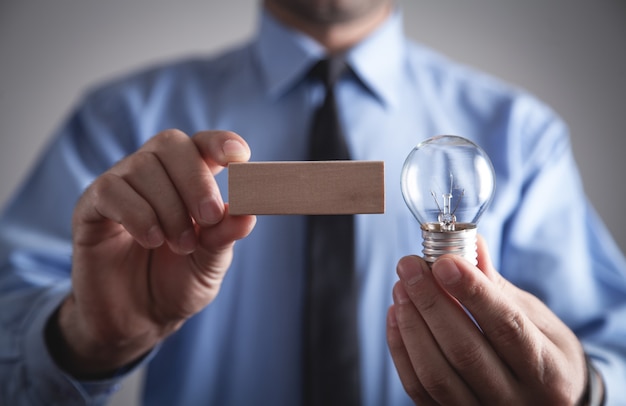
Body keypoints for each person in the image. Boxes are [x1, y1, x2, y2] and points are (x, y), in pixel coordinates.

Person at [1, 0, 624, 404]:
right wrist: (84, 339)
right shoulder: (121, 122)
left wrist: (583, 390)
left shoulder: (519, 133)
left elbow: (611, 350)